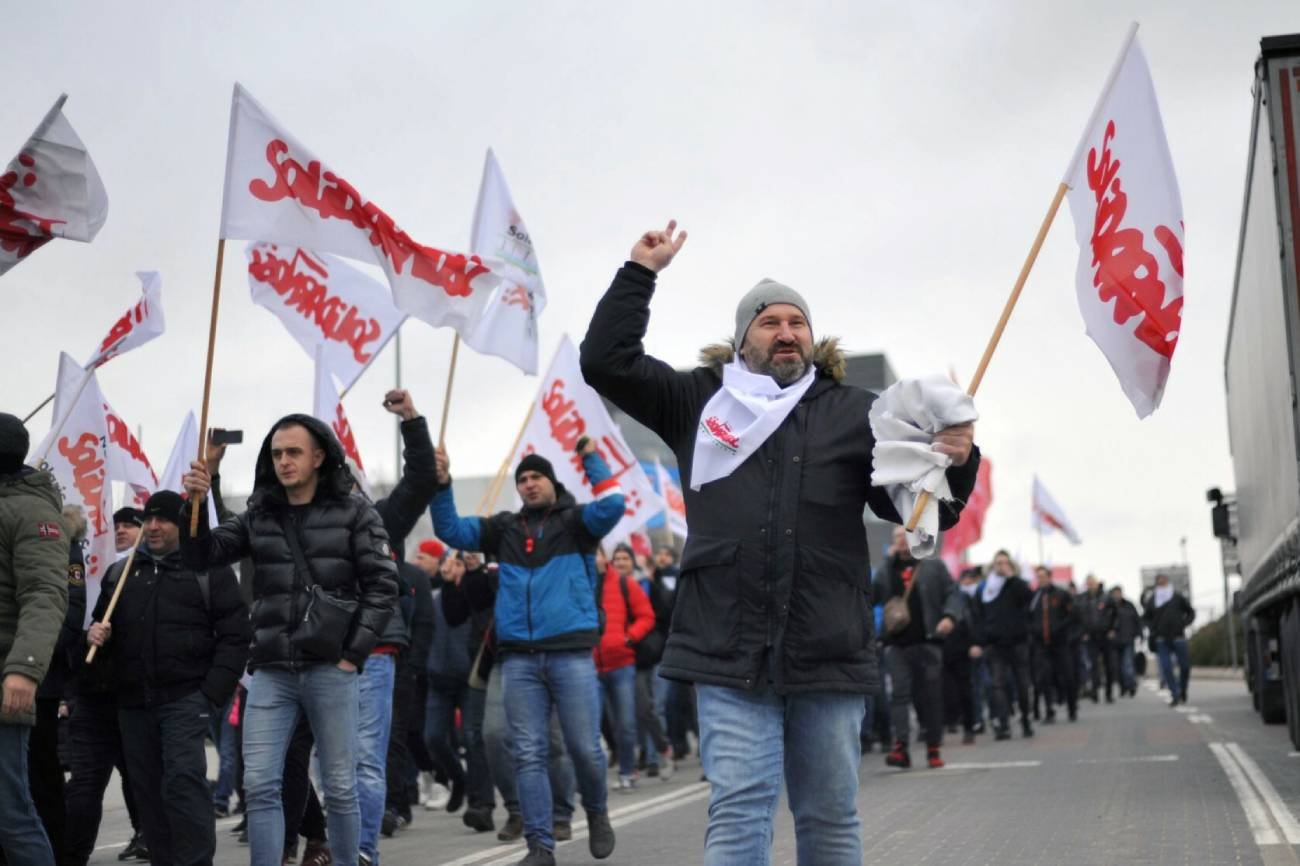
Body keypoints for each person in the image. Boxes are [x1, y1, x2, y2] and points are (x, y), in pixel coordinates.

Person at [578, 223, 979, 866]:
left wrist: (955, 459)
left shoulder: (858, 412)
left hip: (827, 647)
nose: (786, 332)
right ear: (743, 338)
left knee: (829, 816)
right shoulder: (697, 400)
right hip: (725, 647)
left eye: (798, 322)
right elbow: (605, 362)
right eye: (769, 322)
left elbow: (916, 508)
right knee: (739, 811)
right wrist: (639, 273)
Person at [180, 413, 399, 866]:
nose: (283, 461)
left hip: (330, 669)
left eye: (293, 452)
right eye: (277, 453)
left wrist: (351, 655)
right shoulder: (260, 515)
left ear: (319, 456)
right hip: (272, 671)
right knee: (260, 785)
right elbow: (202, 555)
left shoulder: (356, 512)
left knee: (340, 786)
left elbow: (383, 586)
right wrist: (196, 499)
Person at [431, 440, 623, 866]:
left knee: (584, 748)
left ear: (552, 482)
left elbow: (613, 503)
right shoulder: (504, 529)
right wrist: (441, 485)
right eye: (522, 479)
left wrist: (591, 459)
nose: (529, 484)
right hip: (518, 657)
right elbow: (451, 530)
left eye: (537, 477)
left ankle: (596, 810)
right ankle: (540, 846)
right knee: (528, 753)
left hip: (570, 653)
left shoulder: (578, 523)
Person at [86, 490, 250, 866]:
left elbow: (235, 635)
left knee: (183, 784)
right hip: (133, 704)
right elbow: (100, 634)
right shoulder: (120, 574)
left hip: (186, 699)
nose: (153, 527)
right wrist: (95, 638)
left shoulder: (209, 570)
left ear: (182, 524)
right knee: (148, 793)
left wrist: (211, 694)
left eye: (163, 520)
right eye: (148, 519)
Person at [0, 412, 70, 865]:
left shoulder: (32, 511)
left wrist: (24, 669)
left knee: (11, 812)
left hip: (7, 679)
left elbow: (45, 595)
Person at [879, 527, 961, 770]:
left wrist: (949, 617)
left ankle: (933, 747)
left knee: (930, 697)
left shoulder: (933, 566)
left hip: (928, 642)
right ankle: (901, 748)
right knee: (899, 696)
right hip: (896, 644)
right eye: (896, 538)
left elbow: (953, 593)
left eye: (904, 536)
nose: (900, 541)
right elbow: (870, 594)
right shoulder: (887, 569)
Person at [595, 544, 656, 790]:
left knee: (626, 723)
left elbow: (646, 616)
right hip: (589, 667)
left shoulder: (623, 583)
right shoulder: (578, 582)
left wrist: (629, 637)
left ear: (603, 557)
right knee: (591, 727)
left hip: (621, 664)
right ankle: (594, 781)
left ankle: (628, 771)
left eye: (596, 553)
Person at [969, 551, 1033, 740]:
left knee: (1022, 684)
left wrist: (1012, 578)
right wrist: (979, 641)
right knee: (998, 685)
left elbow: (1028, 599)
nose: (1001, 566)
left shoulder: (1017, 585)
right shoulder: (985, 588)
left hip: (1017, 643)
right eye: (998, 563)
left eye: (1005, 563)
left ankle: (1025, 720)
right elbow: (978, 616)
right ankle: (1003, 724)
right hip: (995, 644)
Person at [1028, 565, 1077, 723]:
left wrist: (1060, 629)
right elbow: (1028, 617)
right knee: (1044, 677)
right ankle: (1049, 710)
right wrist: (1034, 630)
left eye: (1043, 576)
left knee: (1067, 675)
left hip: (1060, 643)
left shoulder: (1061, 594)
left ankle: (1072, 708)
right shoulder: (1034, 597)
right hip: (1041, 644)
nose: (1041, 579)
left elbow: (1072, 615)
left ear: (1049, 577)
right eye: (1038, 577)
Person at [1143, 574, 1195, 706]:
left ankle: (1182, 689)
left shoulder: (1177, 597)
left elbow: (1190, 612)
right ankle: (1175, 693)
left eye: (1164, 582)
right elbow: (1146, 618)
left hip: (1178, 637)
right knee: (1166, 668)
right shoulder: (1153, 600)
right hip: (1161, 639)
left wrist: (1183, 624)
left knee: (1185, 666)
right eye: (1159, 583)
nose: (1162, 585)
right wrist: (1153, 629)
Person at [1077, 575, 1118, 703]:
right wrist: (1083, 632)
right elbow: (1078, 617)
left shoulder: (1107, 597)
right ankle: (1094, 691)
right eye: (1088, 583)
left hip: (1106, 635)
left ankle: (1109, 693)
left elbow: (1116, 614)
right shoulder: (1082, 598)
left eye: (1093, 583)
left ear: (1097, 583)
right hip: (1091, 636)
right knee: (1093, 665)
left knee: (1108, 664)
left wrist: (1113, 629)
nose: (1091, 586)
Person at [1109, 585, 1142, 697]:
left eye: (1118, 593)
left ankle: (1131, 685)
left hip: (1128, 639)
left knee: (1128, 664)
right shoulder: (1109, 606)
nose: (1117, 595)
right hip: (1114, 642)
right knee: (1117, 666)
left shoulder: (1129, 605)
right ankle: (1123, 687)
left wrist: (1139, 634)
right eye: (1115, 593)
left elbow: (1137, 620)